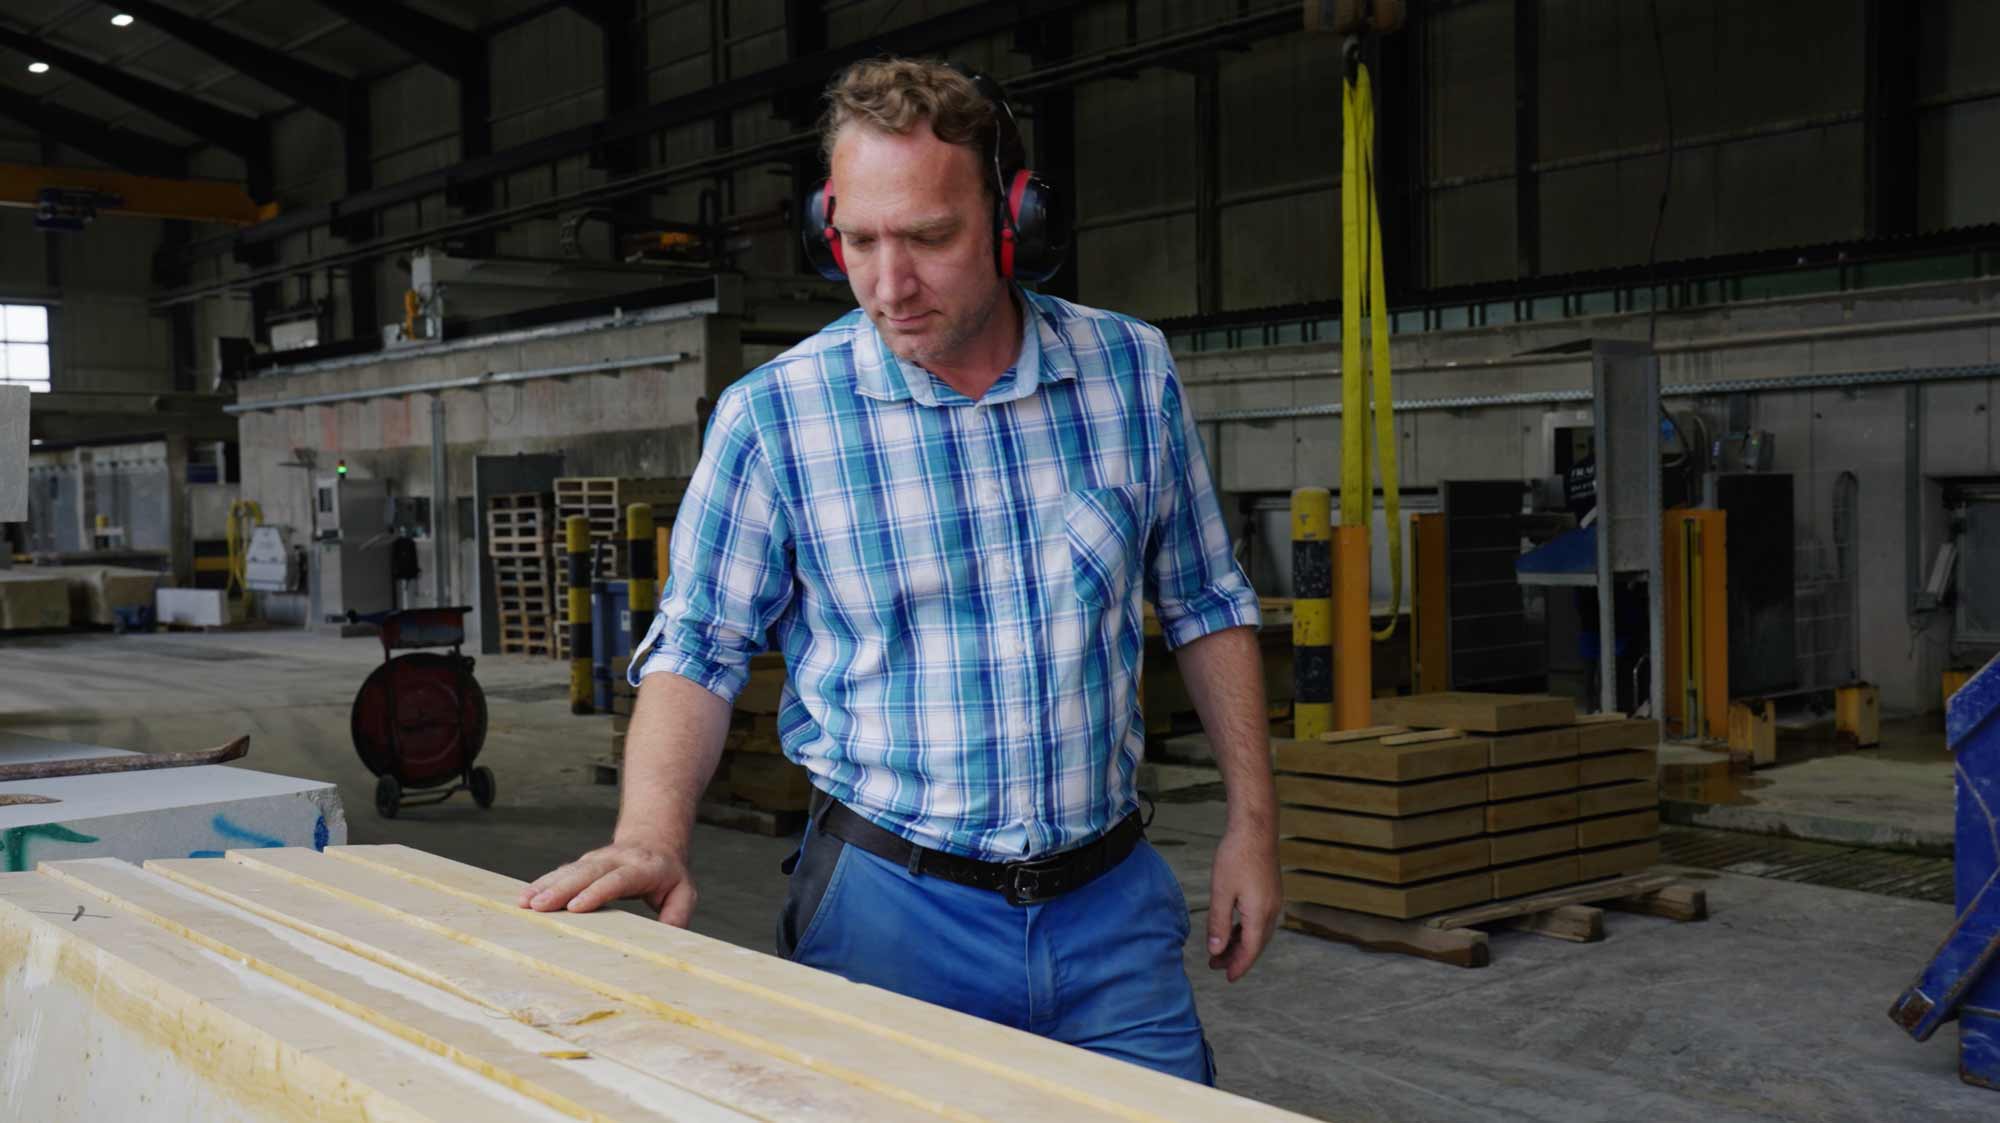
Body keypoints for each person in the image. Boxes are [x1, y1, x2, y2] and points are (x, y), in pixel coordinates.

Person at [519, 56, 1279, 1086]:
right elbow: (699, 643)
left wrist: (1250, 825)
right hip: (887, 913)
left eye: (928, 238)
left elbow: (1204, 601)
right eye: (859, 241)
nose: (888, 282)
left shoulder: (1127, 374)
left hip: (1110, 913)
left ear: (1013, 221)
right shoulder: (776, 419)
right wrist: (651, 834)